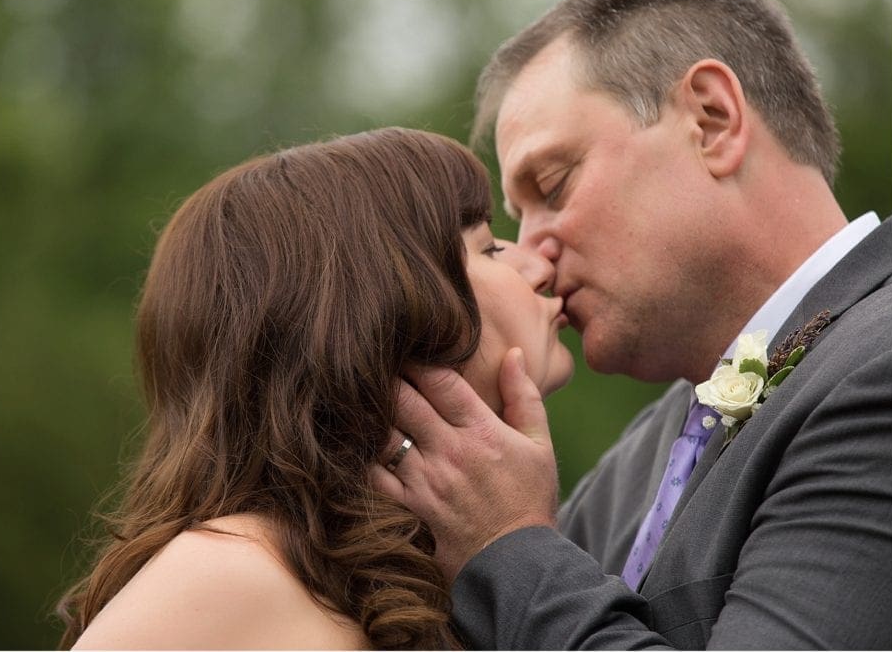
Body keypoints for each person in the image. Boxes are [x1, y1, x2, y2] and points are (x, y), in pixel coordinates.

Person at [373, 0, 892, 649]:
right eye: (515, 216)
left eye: (553, 184)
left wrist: (507, 545)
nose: (531, 251)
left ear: (712, 119)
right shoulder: (645, 457)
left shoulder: (881, 372)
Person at [56, 127, 574, 649]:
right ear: (380, 314)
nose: (538, 265)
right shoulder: (229, 575)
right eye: (489, 248)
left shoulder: (397, 573)